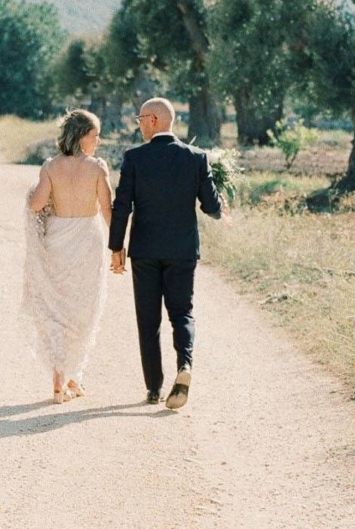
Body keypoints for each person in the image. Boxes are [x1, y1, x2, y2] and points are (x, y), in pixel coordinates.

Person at [109, 97, 225, 409]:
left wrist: (116, 247)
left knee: (148, 320)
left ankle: (153, 388)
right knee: (182, 312)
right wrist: (220, 199)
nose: (138, 123)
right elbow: (212, 209)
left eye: (141, 118)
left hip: (145, 251)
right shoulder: (196, 158)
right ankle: (184, 366)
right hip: (183, 250)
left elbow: (122, 206)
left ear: (155, 120)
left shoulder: (134, 158)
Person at [22, 110, 112, 404]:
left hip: (58, 240)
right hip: (88, 240)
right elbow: (108, 212)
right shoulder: (98, 168)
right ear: (82, 136)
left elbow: (36, 205)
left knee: (58, 308)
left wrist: (33, 193)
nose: (98, 141)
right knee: (83, 310)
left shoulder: (50, 167)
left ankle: (64, 378)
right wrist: (120, 247)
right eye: (95, 135)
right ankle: (68, 375)